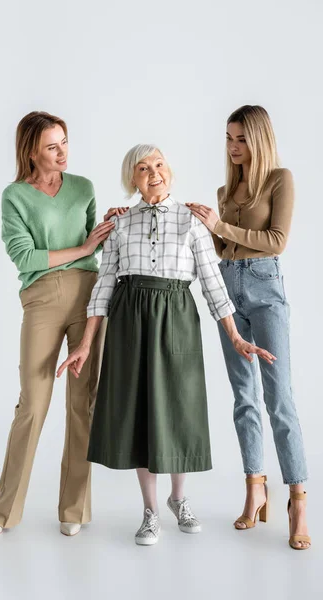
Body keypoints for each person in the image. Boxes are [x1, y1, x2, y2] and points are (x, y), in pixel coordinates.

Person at [57, 143, 275, 546]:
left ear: (169, 172)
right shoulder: (120, 223)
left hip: (176, 315)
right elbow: (104, 285)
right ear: (132, 179)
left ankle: (179, 498)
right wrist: (86, 343)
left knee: (177, 405)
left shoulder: (191, 221)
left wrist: (236, 336)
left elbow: (212, 282)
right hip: (129, 317)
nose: (153, 172)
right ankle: (151, 511)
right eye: (142, 168)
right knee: (141, 410)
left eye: (159, 164)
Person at [0, 111, 127, 537]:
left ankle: (74, 511)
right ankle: (4, 511)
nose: (62, 152)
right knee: (32, 403)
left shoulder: (83, 188)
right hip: (42, 300)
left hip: (89, 294)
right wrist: (82, 247)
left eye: (64, 142)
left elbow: (100, 247)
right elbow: (25, 258)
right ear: (31, 151)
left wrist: (113, 225)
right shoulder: (15, 196)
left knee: (83, 402)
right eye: (52, 146)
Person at [187, 105, 311, 550]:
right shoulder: (225, 189)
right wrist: (206, 227)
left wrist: (221, 226)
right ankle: (255, 487)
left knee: (280, 398)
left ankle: (297, 499)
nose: (233, 147)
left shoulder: (280, 180)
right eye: (228, 138)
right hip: (228, 288)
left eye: (240, 139)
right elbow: (224, 247)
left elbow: (277, 240)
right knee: (244, 396)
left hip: (265, 287)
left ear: (258, 139)